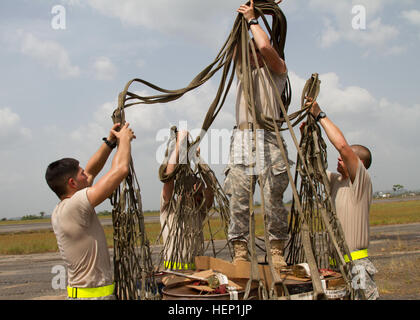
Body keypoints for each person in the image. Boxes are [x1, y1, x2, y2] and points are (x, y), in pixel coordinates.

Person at [223, 0, 293, 273]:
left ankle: (276, 249)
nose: (252, 52)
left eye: (255, 49)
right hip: (241, 139)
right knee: (238, 197)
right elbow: (235, 50)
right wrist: (244, 18)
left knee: (272, 196)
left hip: (269, 136)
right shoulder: (244, 73)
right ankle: (240, 250)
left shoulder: (278, 69)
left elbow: (264, 46)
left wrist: (254, 19)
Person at [45, 122, 136, 300]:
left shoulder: (63, 208)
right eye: (81, 174)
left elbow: (92, 170)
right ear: (72, 183)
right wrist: (125, 140)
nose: (86, 175)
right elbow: (120, 170)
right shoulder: (75, 205)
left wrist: (109, 142)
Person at [304, 98, 379, 300]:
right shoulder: (335, 181)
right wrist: (307, 134)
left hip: (357, 266)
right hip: (335, 267)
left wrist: (320, 115)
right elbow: (313, 166)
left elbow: (343, 147)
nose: (339, 158)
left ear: (359, 163)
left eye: (344, 158)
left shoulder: (360, 183)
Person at [160, 130, 214, 270]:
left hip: (197, 272)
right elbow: (168, 176)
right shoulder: (169, 207)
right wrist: (179, 145)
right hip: (174, 274)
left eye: (197, 182)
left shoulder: (198, 211)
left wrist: (197, 157)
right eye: (192, 182)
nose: (196, 185)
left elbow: (211, 185)